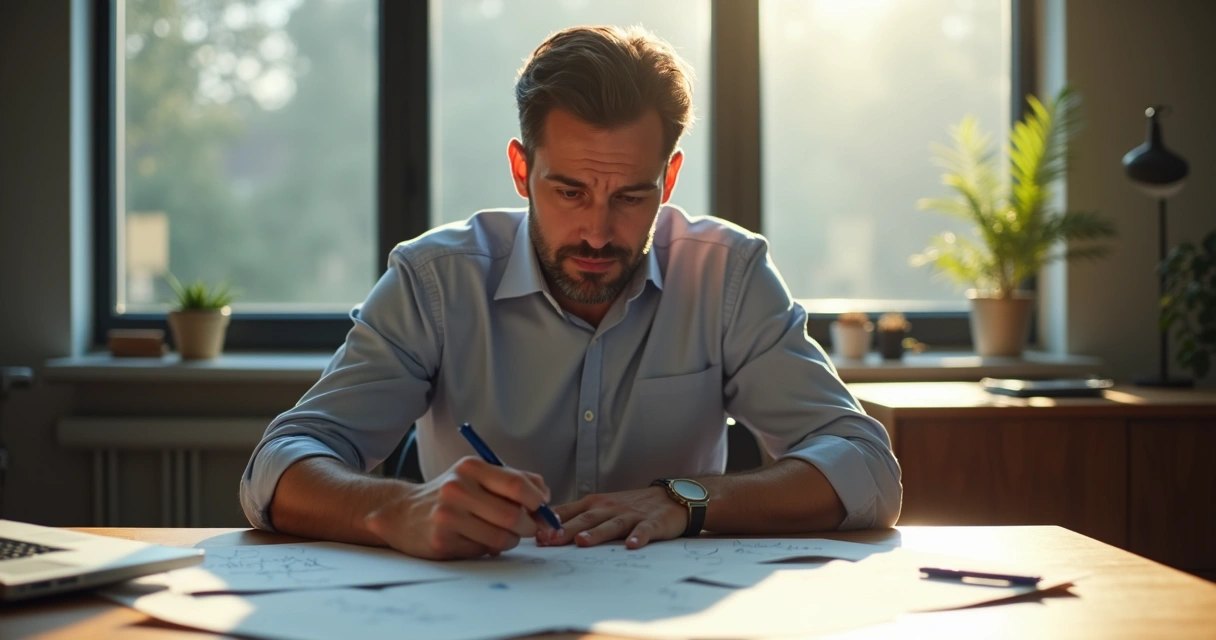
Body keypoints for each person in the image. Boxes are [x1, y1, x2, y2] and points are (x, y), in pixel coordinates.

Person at [240, 25, 901, 561]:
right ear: (521, 169)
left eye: (631, 197)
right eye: (569, 192)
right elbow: (278, 464)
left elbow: (866, 466)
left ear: (669, 180)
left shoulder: (727, 276)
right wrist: (396, 508)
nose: (597, 232)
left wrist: (686, 499)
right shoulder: (436, 281)